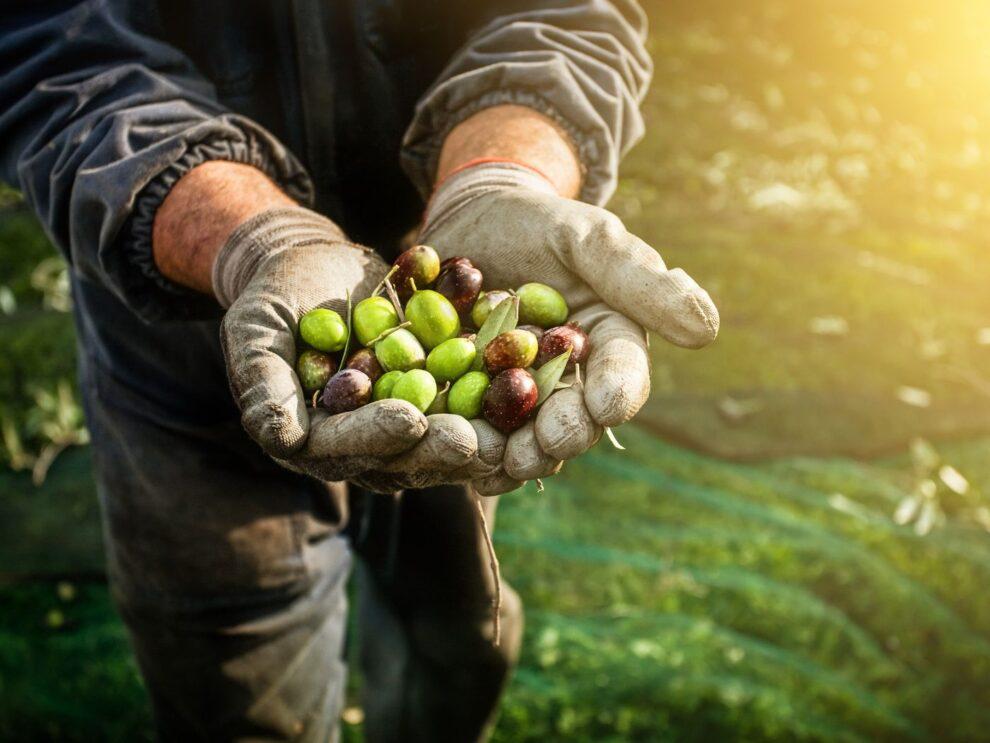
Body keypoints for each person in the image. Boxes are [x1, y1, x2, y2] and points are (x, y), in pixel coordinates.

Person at [0, 1, 718, 740]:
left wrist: (500, 175)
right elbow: (44, 54)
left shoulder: (455, 339)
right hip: (181, 339)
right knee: (237, 692)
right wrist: (255, 238)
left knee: (457, 634)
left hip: (441, 324)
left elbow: (566, 15)